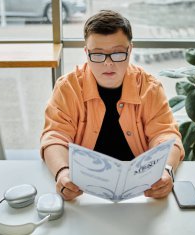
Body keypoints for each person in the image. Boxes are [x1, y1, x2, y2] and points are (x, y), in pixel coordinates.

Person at [40, 10, 184, 201]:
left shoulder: (149, 87)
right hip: (83, 191)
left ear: (130, 50)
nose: (108, 64)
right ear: (86, 52)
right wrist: (63, 173)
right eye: (98, 55)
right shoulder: (68, 88)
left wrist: (166, 172)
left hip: (141, 191)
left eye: (117, 53)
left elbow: (167, 136)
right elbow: (54, 137)